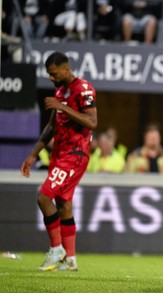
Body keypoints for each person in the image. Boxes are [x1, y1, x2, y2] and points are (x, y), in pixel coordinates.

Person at [20, 51, 98, 271]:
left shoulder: (83, 89)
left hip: (75, 155)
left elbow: (92, 122)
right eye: (49, 75)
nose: (51, 78)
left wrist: (63, 106)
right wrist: (33, 153)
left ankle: (57, 249)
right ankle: (70, 259)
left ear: (66, 68)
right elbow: (52, 127)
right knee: (63, 204)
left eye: (54, 74)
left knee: (44, 197)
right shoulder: (60, 91)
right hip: (60, 154)